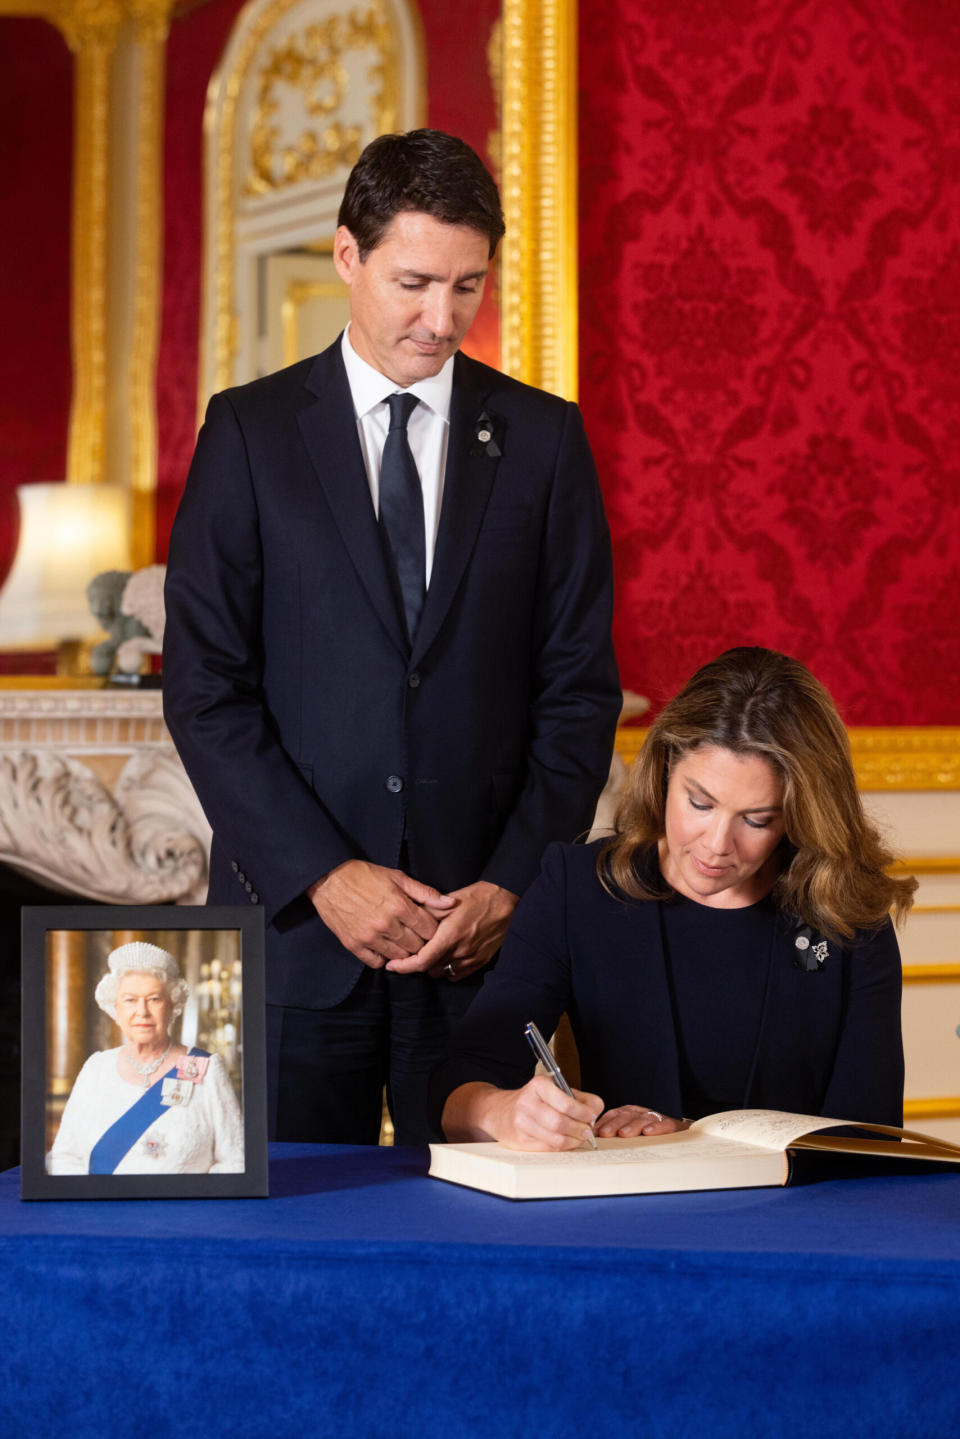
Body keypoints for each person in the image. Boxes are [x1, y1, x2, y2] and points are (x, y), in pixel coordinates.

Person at [162, 129, 620, 1145]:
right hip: (290, 939)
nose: (441, 317)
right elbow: (204, 688)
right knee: (274, 1246)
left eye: (468, 286)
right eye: (414, 281)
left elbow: (579, 691)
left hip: (482, 947)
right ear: (346, 257)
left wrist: (511, 883)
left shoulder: (544, 442)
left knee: (484, 1257)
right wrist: (326, 873)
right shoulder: (247, 433)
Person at [432, 647, 916, 1150]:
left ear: (799, 814)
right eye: (699, 803)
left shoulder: (849, 912)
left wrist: (689, 1138)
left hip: (794, 1218)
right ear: (665, 769)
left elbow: (869, 1135)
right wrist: (501, 1112)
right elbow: (459, 1078)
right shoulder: (576, 888)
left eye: (756, 820)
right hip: (624, 1214)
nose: (716, 844)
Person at [47, 942, 244, 1175]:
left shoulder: (205, 1068)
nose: (142, 1011)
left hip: (184, 1210)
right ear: (115, 1009)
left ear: (173, 1007)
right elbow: (63, 1158)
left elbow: (235, 1162)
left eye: (154, 999)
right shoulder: (96, 1068)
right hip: (104, 1209)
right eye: (130, 1000)